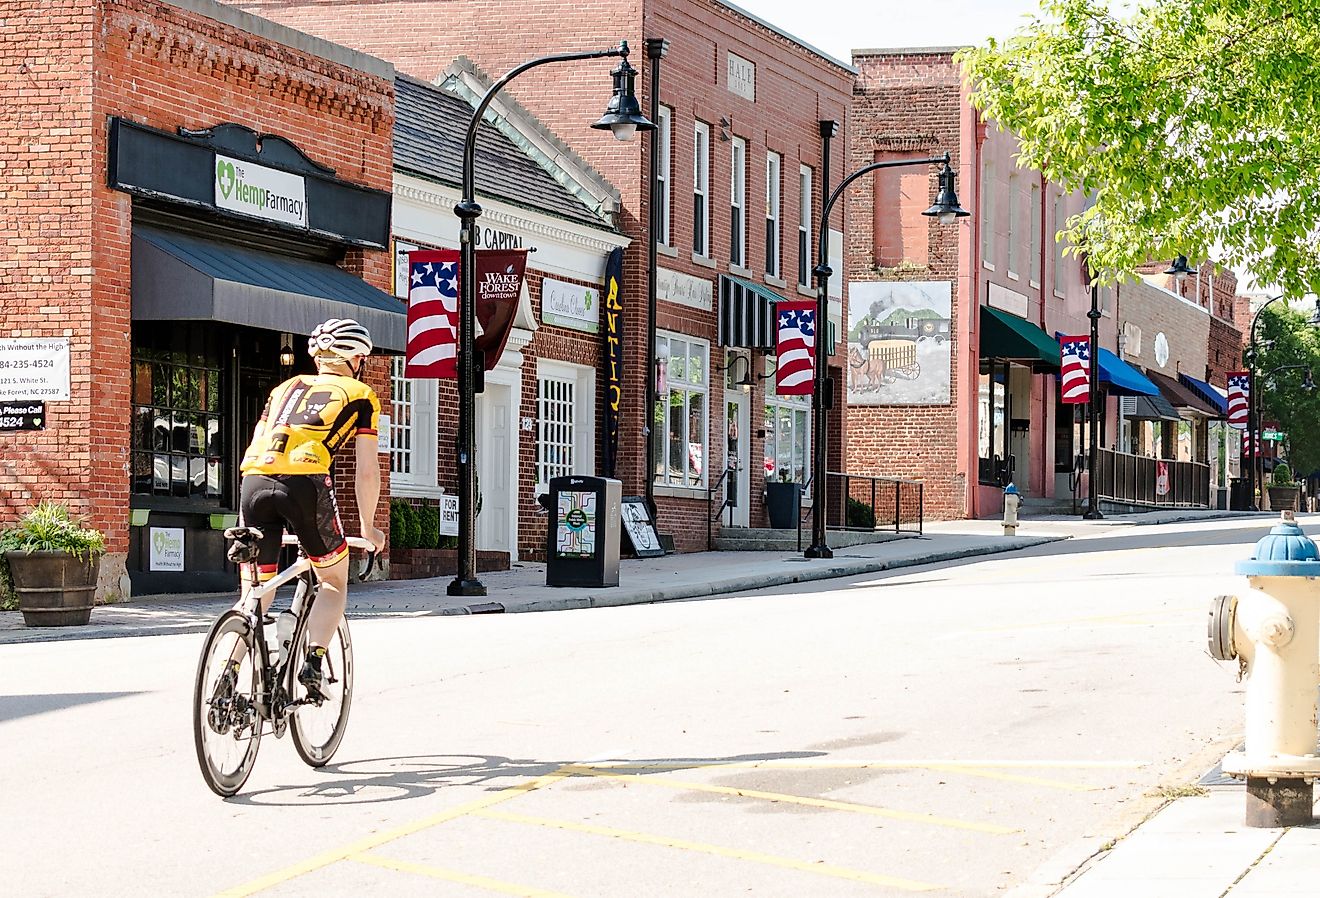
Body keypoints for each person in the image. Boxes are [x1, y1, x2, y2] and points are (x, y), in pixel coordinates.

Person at [236, 318, 386, 698]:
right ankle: (313, 663)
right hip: (304, 483)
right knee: (333, 580)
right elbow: (366, 471)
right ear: (355, 358)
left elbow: (259, 440)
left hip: (253, 481)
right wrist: (368, 528)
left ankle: (228, 671)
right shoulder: (360, 394)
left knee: (256, 591)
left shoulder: (283, 388)